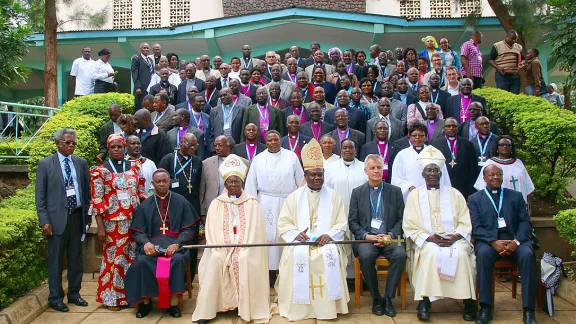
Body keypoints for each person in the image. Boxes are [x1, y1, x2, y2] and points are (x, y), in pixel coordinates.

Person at [276, 138, 349, 321]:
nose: (317, 178)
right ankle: (301, 309)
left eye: (320, 174)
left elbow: (341, 223)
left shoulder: (334, 197)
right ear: (306, 176)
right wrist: (296, 234)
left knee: (329, 253)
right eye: (313, 175)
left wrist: (329, 236)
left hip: (326, 243)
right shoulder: (294, 197)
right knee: (295, 255)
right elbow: (284, 223)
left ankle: (328, 307)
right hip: (301, 243)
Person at [192, 154, 271, 324]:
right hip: (221, 247)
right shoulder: (216, 203)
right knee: (215, 259)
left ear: (242, 183)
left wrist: (241, 247)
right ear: (225, 184)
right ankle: (209, 309)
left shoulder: (252, 203)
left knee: (243, 258)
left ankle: (246, 308)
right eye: (230, 182)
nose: (233, 185)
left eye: (237, 182)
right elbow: (211, 231)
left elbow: (256, 232)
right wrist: (222, 247)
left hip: (246, 247)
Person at [402, 146, 477, 321]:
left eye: (436, 170)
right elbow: (410, 225)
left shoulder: (455, 194)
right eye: (429, 170)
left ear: (441, 173)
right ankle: (425, 301)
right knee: (430, 254)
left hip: (454, 238)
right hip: (428, 239)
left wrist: (455, 237)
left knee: (462, 254)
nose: (433, 174)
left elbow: (465, 222)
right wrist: (430, 238)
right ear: (423, 174)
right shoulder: (414, 196)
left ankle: (468, 302)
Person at [468, 164, 538, 324]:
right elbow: (475, 226)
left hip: (515, 239)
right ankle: (486, 308)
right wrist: (493, 241)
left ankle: (529, 311)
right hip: (489, 240)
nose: (495, 177)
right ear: (484, 178)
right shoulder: (475, 199)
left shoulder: (515, 196)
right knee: (484, 255)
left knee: (527, 255)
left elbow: (526, 222)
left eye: (498, 174)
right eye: (491, 175)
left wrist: (516, 241)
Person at [124, 169, 198, 318]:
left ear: (169, 182)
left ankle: (173, 303)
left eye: (165, 181)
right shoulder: (145, 205)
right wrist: (145, 243)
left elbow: (190, 228)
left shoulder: (181, 201)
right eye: (158, 182)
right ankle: (145, 302)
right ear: (153, 184)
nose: (162, 184)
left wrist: (178, 243)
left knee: (176, 260)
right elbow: (137, 231)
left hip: (175, 247)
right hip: (152, 247)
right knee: (142, 261)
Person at [35, 129, 91, 312]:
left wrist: (87, 217)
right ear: (58, 143)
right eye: (67, 143)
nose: (71, 146)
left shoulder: (81, 163)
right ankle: (55, 297)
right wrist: (44, 220)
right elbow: (40, 196)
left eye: (73, 143)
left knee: (76, 258)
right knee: (56, 260)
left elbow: (86, 193)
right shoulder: (45, 164)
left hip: (76, 216)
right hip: (56, 219)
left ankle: (74, 294)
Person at [89, 134, 147, 309]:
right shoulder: (100, 171)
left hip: (133, 221)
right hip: (112, 224)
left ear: (125, 148)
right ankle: (112, 298)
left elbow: (142, 193)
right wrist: (100, 227)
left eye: (119, 146)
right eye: (112, 147)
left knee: (132, 258)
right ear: (108, 148)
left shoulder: (135, 167)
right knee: (114, 259)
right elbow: (97, 200)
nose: (116, 149)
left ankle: (131, 296)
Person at [348, 154, 406, 317]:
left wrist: (389, 235)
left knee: (400, 255)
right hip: (367, 238)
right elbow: (352, 222)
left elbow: (402, 219)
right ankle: (376, 298)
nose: (376, 171)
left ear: (383, 170)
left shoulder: (395, 191)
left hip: (390, 237)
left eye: (379, 167)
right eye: (372, 168)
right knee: (366, 256)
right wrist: (367, 236)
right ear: (365, 171)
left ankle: (388, 298)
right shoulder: (357, 192)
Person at [245, 131, 304, 276]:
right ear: (265, 142)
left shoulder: (291, 157)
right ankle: (269, 272)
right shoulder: (258, 159)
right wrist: (252, 206)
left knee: (286, 234)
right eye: (269, 140)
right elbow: (251, 185)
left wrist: (299, 203)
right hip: (265, 203)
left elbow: (301, 182)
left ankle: (287, 270)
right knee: (267, 235)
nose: (272, 142)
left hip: (287, 201)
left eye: (275, 140)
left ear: (280, 141)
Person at [391, 123, 451, 201]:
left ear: (426, 137)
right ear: (410, 137)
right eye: (414, 135)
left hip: (432, 194)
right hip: (410, 195)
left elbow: (444, 176)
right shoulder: (402, 155)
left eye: (421, 135)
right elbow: (396, 177)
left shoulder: (435, 153)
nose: (417, 138)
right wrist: (409, 187)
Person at [474, 136, 534, 203]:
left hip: (520, 204)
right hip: (499, 203)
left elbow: (527, 186)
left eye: (508, 145)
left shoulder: (518, 163)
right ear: (497, 147)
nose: (505, 147)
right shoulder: (490, 163)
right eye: (502, 145)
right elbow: (482, 187)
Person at [432, 118, 478, 199]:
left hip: (463, 185)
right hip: (444, 183)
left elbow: (473, 168)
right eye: (448, 126)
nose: (451, 128)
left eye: (454, 126)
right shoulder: (436, 145)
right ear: (444, 128)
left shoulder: (467, 144)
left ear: (458, 128)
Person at [132, 43, 154, 110]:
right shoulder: (136, 59)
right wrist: (137, 87)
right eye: (144, 48)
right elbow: (134, 73)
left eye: (147, 48)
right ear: (140, 49)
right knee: (141, 107)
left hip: (149, 86)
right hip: (141, 88)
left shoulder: (150, 60)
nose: (146, 49)